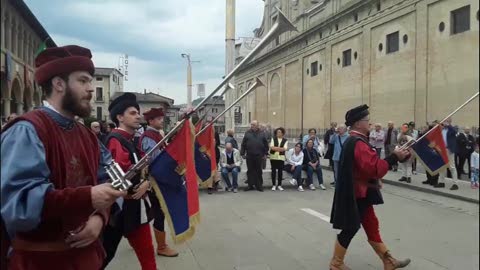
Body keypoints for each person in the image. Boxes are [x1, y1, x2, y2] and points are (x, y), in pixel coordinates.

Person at [1, 45, 125, 269]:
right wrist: (86, 198)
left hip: (87, 260)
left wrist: (100, 217)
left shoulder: (88, 135)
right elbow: (19, 207)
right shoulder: (28, 130)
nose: (90, 88)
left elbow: (115, 180)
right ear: (59, 84)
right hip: (40, 262)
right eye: (83, 81)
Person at [329, 104, 411, 270]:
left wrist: (377, 176)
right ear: (359, 123)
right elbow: (374, 168)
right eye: (367, 120)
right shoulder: (358, 142)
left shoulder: (355, 140)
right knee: (350, 228)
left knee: (371, 224)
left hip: (362, 192)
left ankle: (388, 260)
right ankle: (336, 263)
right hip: (358, 194)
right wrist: (394, 157)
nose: (370, 123)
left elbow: (363, 169)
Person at [102, 93, 157, 270]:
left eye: (137, 112)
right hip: (121, 208)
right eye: (133, 113)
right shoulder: (115, 140)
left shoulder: (130, 140)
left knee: (148, 256)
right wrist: (134, 189)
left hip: (134, 208)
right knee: (102, 256)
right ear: (120, 117)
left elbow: (141, 172)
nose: (138, 116)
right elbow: (116, 178)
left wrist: (146, 183)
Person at [139, 107, 179, 257]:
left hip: (158, 179)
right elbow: (156, 159)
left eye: (162, 118)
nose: (162, 121)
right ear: (151, 121)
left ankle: (133, 234)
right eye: (159, 119)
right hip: (154, 180)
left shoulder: (156, 134)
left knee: (153, 211)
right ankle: (161, 247)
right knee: (159, 212)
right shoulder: (149, 136)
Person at [241, 120, 269, 192]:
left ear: (257, 125)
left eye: (253, 125)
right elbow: (243, 144)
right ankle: (250, 185)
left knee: (258, 170)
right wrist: (242, 153)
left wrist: (265, 154)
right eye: (251, 125)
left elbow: (266, 145)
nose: (252, 126)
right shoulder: (247, 133)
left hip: (259, 155)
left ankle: (259, 185)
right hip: (249, 155)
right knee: (250, 170)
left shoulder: (262, 133)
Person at [439, 118, 459, 190]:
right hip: (442, 150)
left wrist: (449, 125)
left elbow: (454, 131)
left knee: (452, 167)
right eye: (444, 121)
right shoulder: (441, 129)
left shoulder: (452, 129)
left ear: (450, 122)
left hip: (449, 150)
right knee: (441, 166)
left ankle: (455, 183)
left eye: (447, 121)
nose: (445, 122)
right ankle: (441, 182)